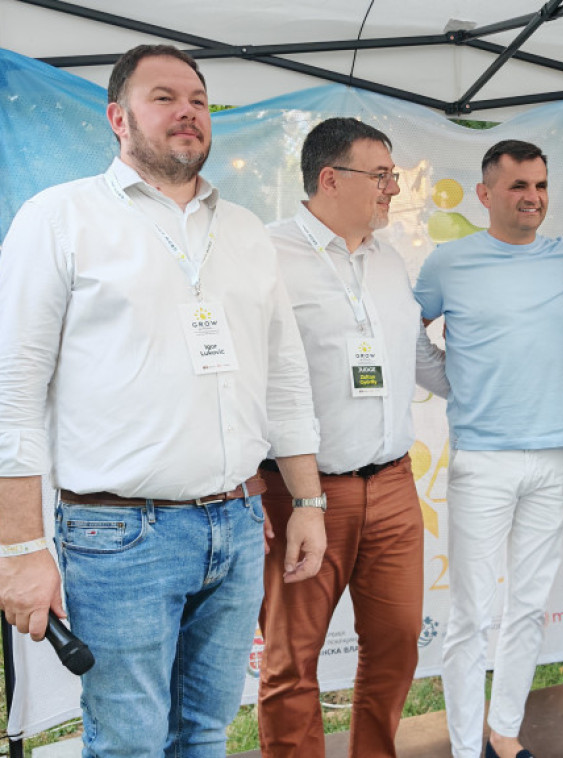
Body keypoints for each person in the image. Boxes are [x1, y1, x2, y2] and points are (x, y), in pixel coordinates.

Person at [0, 45, 326, 757]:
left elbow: (284, 374)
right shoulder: (59, 218)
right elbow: (11, 391)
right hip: (120, 535)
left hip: (238, 522)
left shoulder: (244, 230)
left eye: (199, 100)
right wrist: (19, 548)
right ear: (118, 118)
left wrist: (307, 499)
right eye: (164, 98)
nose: (187, 112)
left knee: (205, 733)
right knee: (130, 744)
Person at [258, 117, 448, 758]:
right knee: (291, 660)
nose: (394, 188)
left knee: (397, 644)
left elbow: (417, 358)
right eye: (382, 175)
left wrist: (500, 371)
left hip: (393, 486)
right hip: (301, 494)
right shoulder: (266, 255)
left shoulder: (388, 258)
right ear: (330, 178)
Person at [414, 140, 563, 758]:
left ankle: (504, 734)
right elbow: (405, 330)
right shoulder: (448, 262)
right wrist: (452, 383)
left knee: (529, 608)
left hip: (554, 455)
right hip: (482, 460)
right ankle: (465, 748)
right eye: (518, 186)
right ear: (484, 194)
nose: (533, 197)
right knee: (470, 616)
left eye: (540, 185)